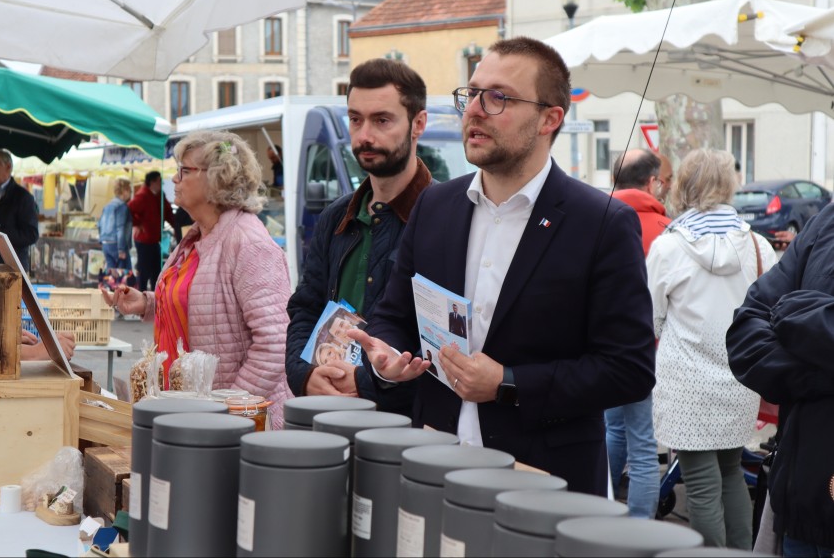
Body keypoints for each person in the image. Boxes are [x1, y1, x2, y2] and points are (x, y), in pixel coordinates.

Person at [348, 37, 656, 495]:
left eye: (498, 98)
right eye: (471, 94)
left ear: (550, 118)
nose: (474, 110)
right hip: (434, 466)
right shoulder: (435, 206)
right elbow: (395, 315)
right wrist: (386, 356)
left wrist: (508, 384)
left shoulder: (602, 223)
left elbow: (629, 369)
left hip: (543, 484)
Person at [102, 131, 292, 428]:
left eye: (184, 170)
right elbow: (198, 300)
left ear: (218, 177)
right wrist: (148, 303)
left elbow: (275, 344)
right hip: (193, 416)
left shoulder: (249, 242)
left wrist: (227, 411)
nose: (174, 178)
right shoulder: (196, 235)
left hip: (235, 429)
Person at [284, 58, 433, 415]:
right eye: (355, 119)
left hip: (406, 429)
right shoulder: (336, 216)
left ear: (418, 124)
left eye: (382, 120)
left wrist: (367, 382)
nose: (364, 135)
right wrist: (304, 375)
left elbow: (447, 342)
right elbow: (305, 308)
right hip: (328, 417)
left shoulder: (445, 218)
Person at [647, 149, 776, 548]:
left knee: (701, 484)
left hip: (685, 384)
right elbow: (771, 309)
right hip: (739, 379)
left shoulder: (669, 247)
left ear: (684, 185)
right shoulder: (758, 245)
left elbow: (651, 316)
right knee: (731, 472)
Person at [727, 210, 834, 554]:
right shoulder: (826, 222)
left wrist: (800, 317)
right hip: (799, 512)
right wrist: (819, 373)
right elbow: (745, 334)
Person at [604, 148, 671, 518]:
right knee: (643, 445)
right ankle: (639, 528)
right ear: (651, 182)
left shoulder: (597, 219)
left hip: (603, 348)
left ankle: (596, 513)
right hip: (650, 351)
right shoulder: (666, 230)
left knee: (613, 430)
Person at [128, 171, 175, 291]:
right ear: (152, 182)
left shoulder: (159, 195)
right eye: (159, 181)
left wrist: (175, 225)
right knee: (144, 270)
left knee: (156, 270)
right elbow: (128, 210)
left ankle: (155, 294)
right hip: (144, 240)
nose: (161, 183)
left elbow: (168, 212)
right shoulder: (142, 196)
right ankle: (141, 294)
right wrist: (137, 224)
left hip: (154, 239)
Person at [98, 178, 133, 270]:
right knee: (124, 274)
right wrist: (121, 249)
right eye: (130, 190)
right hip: (117, 245)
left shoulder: (107, 206)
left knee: (111, 274)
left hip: (106, 243)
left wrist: (102, 241)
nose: (131, 193)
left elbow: (99, 225)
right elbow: (120, 229)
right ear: (124, 191)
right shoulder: (122, 206)